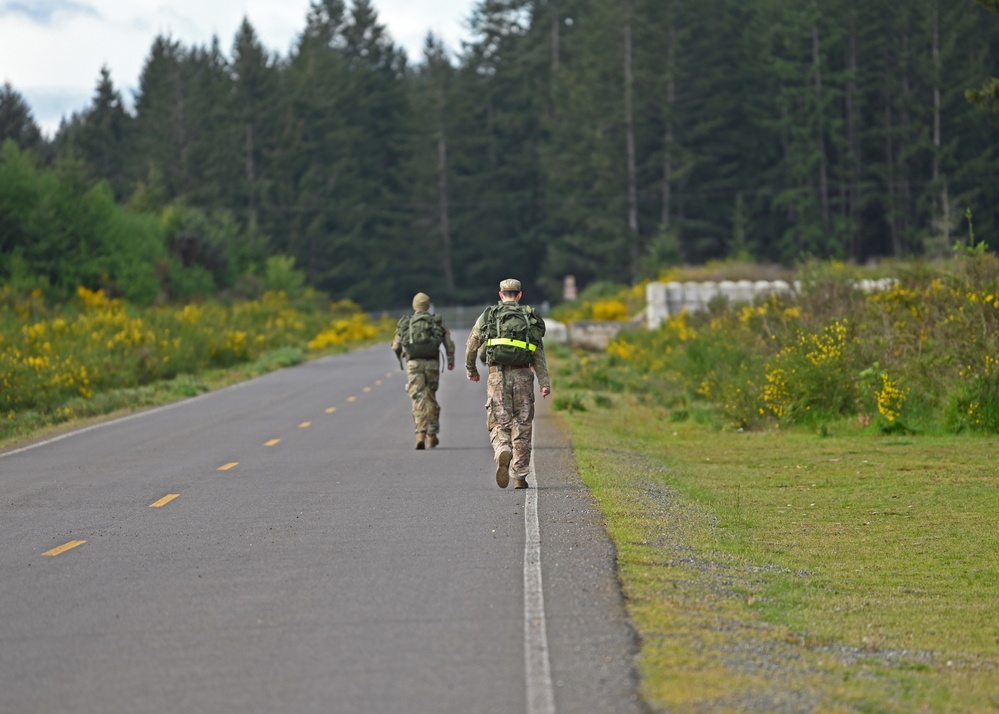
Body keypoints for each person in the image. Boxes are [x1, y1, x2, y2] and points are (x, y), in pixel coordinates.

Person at [465, 278, 551, 489]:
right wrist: (544, 382)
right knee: (522, 424)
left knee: (497, 421)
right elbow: (538, 352)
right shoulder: (528, 317)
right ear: (519, 295)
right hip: (523, 376)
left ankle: (502, 448)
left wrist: (471, 369)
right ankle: (519, 475)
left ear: (501, 294)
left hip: (497, 376)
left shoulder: (489, 315)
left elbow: (472, 345)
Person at [392, 292, 455, 449]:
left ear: (414, 306)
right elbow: (448, 343)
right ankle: (432, 434)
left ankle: (420, 433)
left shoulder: (406, 322)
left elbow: (396, 346)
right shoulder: (436, 322)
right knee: (430, 397)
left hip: (413, 364)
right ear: (428, 306)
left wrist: (402, 357)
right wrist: (450, 361)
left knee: (418, 399)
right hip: (432, 364)